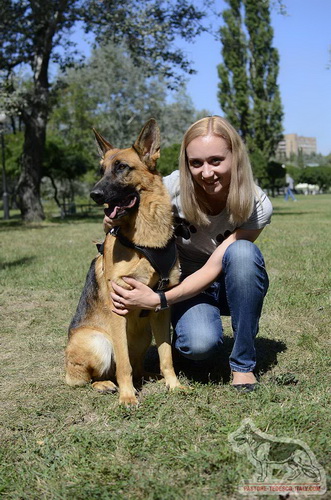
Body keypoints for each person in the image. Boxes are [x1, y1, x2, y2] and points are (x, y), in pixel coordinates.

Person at [105, 116, 272, 392]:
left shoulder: (257, 203)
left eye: (216, 160)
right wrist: (110, 220)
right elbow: (124, 211)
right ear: (186, 163)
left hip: (232, 284)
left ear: (236, 158)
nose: (207, 173)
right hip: (187, 285)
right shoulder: (169, 189)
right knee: (198, 346)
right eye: (196, 163)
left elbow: (215, 266)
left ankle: (243, 365)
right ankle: (187, 336)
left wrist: (158, 299)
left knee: (243, 253)